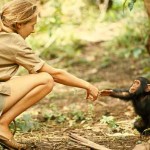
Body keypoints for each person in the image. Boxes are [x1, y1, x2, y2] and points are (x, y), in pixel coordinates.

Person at [0, 0, 99, 149]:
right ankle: (2, 125)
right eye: (32, 25)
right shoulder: (13, 41)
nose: (33, 30)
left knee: (18, 79)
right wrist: (87, 85)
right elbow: (55, 74)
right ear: (19, 24)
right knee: (45, 80)